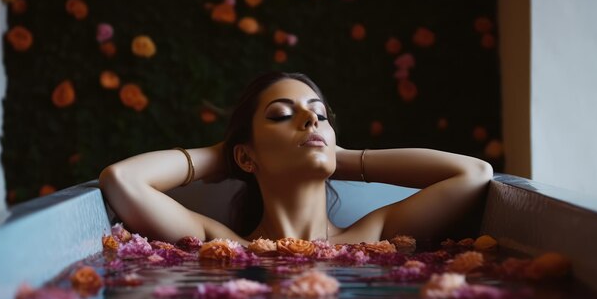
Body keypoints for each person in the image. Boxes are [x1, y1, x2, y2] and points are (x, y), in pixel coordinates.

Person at [99, 72, 493, 246]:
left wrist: (343, 158)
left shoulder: (375, 235)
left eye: (320, 115)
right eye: (281, 115)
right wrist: (229, 156)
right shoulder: (224, 245)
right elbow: (122, 180)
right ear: (246, 156)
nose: (311, 119)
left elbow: (474, 173)